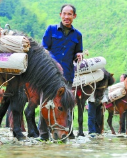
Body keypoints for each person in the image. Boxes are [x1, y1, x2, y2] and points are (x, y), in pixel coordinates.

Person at [38, 4, 83, 141]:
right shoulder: (51, 30)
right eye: (64, 14)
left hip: (67, 75)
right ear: (60, 15)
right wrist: (53, 63)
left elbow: (77, 52)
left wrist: (79, 56)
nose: (66, 17)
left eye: (70, 14)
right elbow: (43, 50)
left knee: (66, 105)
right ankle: (43, 135)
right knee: (46, 103)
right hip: (49, 75)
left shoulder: (78, 35)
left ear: (74, 16)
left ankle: (65, 134)